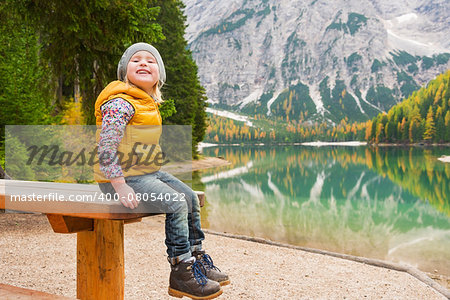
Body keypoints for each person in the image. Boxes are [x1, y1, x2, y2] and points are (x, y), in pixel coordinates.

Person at [94, 42, 229, 299]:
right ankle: (181, 271)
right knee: (176, 202)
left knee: (189, 197)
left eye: (150, 60)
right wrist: (119, 185)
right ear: (124, 72)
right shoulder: (121, 102)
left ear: (159, 75)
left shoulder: (146, 102)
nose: (143, 62)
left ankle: (197, 259)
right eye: (136, 60)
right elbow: (106, 146)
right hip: (120, 178)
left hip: (145, 173)